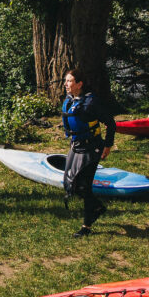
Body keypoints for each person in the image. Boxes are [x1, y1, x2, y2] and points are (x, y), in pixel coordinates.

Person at [59, 69, 117, 237]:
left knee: (84, 185)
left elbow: (111, 123)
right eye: (66, 80)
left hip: (92, 148)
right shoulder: (70, 101)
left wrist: (108, 145)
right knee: (73, 185)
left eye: (69, 81)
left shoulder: (91, 103)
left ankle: (86, 226)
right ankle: (97, 207)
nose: (66, 84)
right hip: (76, 146)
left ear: (79, 84)